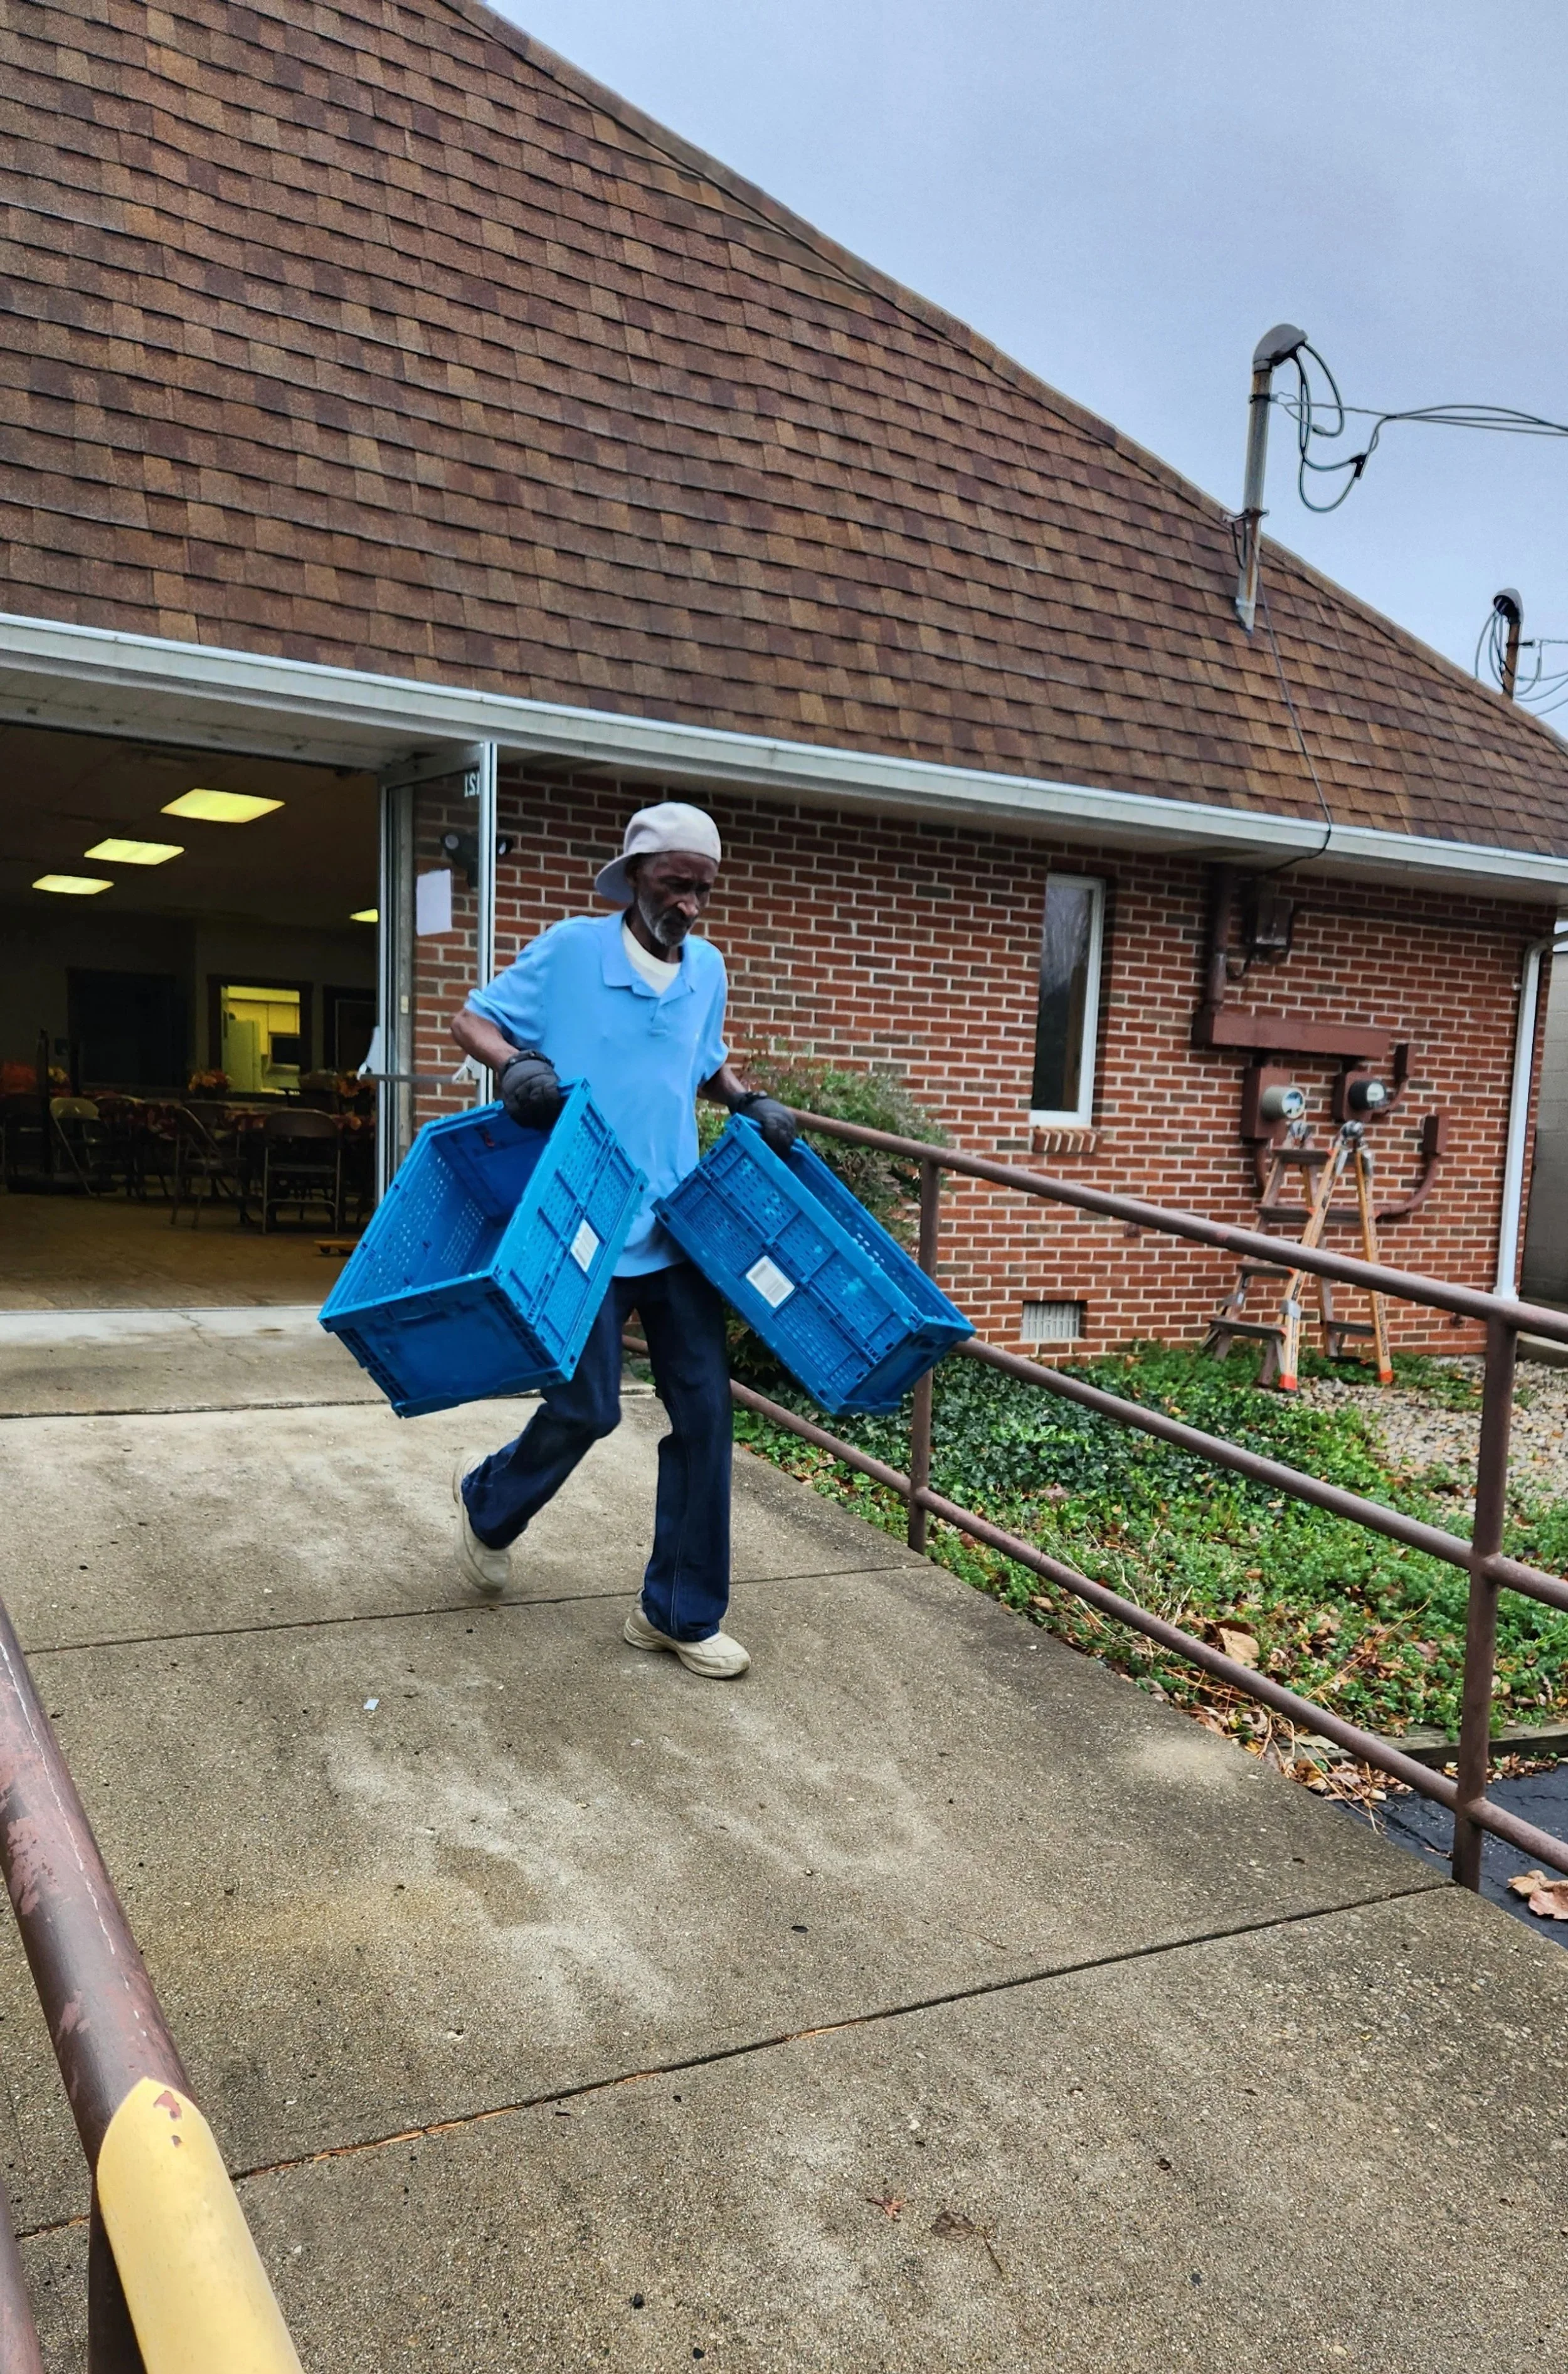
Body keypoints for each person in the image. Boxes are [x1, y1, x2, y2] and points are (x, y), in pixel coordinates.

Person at [447, 802, 797, 1679]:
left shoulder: (707, 968)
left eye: (702, 889)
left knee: (706, 1417)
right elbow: (474, 1018)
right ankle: (490, 1503)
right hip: (585, 1224)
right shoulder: (572, 951)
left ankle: (676, 1613)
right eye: (676, 884)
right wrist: (514, 1064)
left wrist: (745, 1097)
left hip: (677, 1225)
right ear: (636, 876)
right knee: (588, 1407)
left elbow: (703, 1057)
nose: (690, 903)